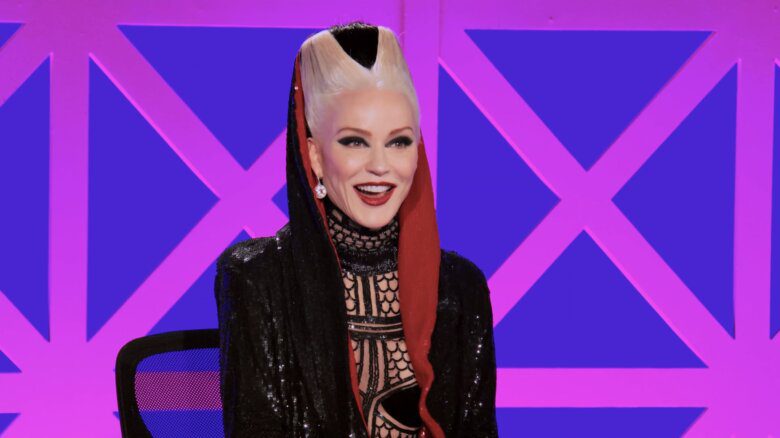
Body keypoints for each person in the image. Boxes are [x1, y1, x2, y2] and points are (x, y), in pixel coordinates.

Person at [214, 21, 498, 437]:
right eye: (354, 142)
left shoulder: (460, 287)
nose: (380, 166)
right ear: (313, 155)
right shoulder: (258, 278)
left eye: (399, 141)